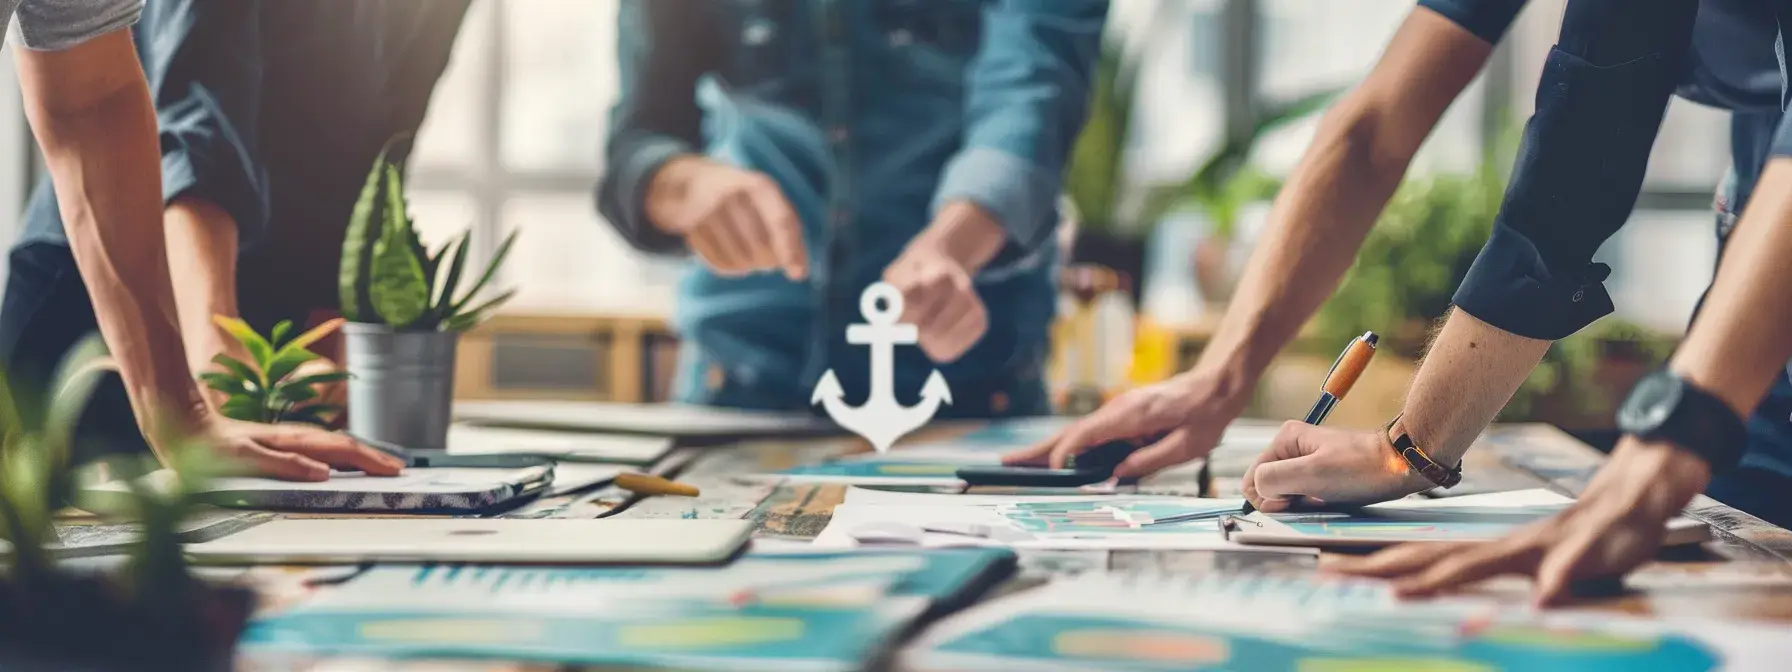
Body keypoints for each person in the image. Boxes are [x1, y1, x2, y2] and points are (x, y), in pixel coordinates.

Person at [0, 0, 469, 479]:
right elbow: (194, 140)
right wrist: (213, 351)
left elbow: (92, 102)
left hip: (217, 313)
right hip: (88, 309)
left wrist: (328, 359)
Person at [597, 0, 1106, 419]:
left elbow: (1033, 96)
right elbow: (638, 139)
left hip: (972, 392)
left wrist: (951, 246)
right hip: (736, 383)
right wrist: (685, 187)